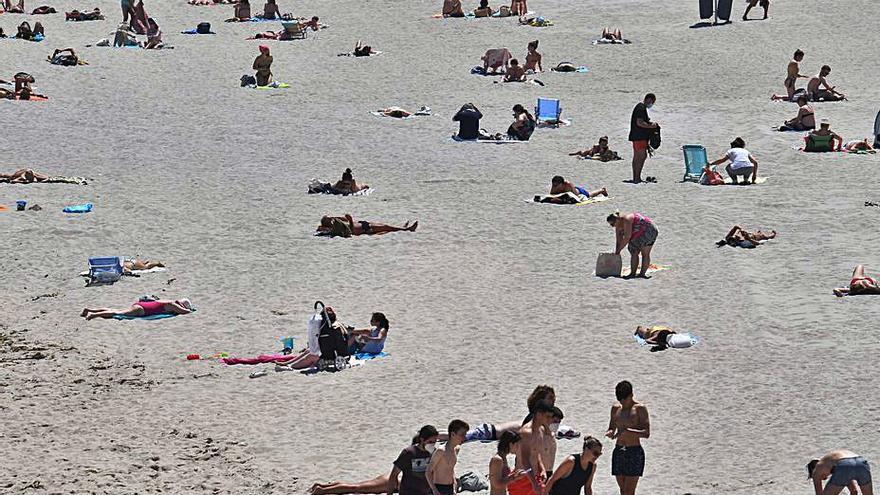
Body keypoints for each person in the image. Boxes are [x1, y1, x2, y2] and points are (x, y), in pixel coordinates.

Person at [606, 381, 649, 495]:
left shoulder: (640, 409)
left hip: (634, 451)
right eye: (620, 400)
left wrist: (629, 431)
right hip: (619, 450)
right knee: (623, 491)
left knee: (629, 492)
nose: (622, 403)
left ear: (631, 395)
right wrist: (610, 432)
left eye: (625, 400)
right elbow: (611, 427)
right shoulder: (615, 409)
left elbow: (646, 433)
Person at [517, 401, 560, 493]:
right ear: (539, 414)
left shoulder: (541, 430)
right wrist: (534, 483)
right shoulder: (526, 432)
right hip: (523, 478)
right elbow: (525, 460)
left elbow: (537, 453)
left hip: (536, 477)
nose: (550, 420)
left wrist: (542, 469)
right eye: (547, 417)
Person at [388, 425, 440, 495]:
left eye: (434, 442)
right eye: (430, 442)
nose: (432, 444)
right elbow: (394, 474)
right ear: (422, 439)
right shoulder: (409, 453)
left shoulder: (434, 453)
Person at [608, 212, 658, 279]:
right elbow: (618, 239)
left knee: (638, 252)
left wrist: (619, 250)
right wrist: (617, 251)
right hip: (648, 230)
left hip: (649, 230)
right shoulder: (618, 225)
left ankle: (638, 274)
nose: (612, 226)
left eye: (612, 224)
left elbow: (627, 237)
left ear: (617, 220)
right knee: (638, 252)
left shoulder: (627, 219)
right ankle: (638, 274)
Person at [426, 420, 469, 495]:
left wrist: (454, 485)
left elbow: (451, 469)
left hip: (450, 488)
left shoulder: (456, 449)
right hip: (439, 487)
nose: (464, 438)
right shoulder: (441, 451)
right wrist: (434, 490)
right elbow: (428, 471)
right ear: (452, 434)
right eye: (462, 435)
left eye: (465, 434)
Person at [807, 450, 873, 495]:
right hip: (861, 462)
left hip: (844, 465)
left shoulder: (817, 469)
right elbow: (854, 491)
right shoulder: (831, 462)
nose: (822, 479)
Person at [628, 93, 659, 183]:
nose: (651, 104)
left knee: (637, 156)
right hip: (639, 137)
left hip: (636, 137)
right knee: (641, 156)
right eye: (652, 102)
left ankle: (636, 177)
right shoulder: (641, 108)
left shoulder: (640, 107)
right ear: (648, 99)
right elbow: (639, 122)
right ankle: (636, 178)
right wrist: (651, 126)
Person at [80, 298, 194, 320]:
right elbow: (185, 312)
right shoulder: (174, 305)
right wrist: (191, 310)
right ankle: (93, 315)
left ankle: (90, 309)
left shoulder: (169, 300)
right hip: (142, 310)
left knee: (116, 309)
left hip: (141, 305)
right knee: (117, 313)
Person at [317, 214, 418, 237]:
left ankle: (402, 228)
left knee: (386, 226)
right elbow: (351, 231)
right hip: (364, 229)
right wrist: (351, 220)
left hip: (363, 224)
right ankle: (407, 229)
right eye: (329, 220)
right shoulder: (336, 228)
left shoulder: (338, 223)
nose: (331, 220)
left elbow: (344, 219)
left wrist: (335, 217)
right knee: (386, 227)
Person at [536, 176, 607, 204]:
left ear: (562, 183)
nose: (555, 186)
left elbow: (576, 197)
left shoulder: (568, 185)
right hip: (565, 194)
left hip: (578, 192)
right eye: (554, 185)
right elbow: (552, 194)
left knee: (589, 195)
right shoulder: (554, 185)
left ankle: (601, 190)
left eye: (556, 185)